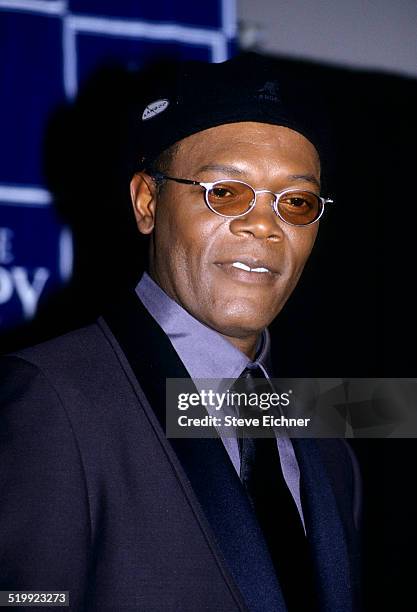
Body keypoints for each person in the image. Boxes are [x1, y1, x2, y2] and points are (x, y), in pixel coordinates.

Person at [0, 54, 361, 611]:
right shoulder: (52, 397)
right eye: (226, 192)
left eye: (295, 202)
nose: (264, 225)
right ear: (148, 201)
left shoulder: (325, 435)